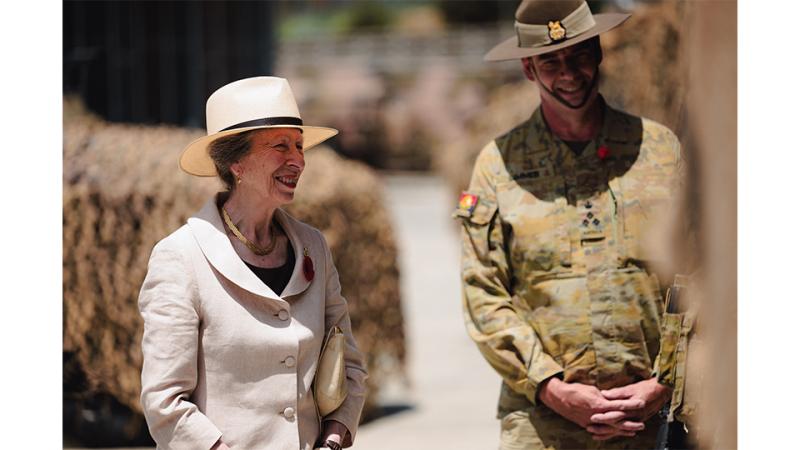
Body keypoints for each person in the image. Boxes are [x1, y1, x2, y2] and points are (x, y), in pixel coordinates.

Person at [456, 1, 682, 448]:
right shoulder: (499, 165)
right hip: (542, 422)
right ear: (528, 68)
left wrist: (666, 382)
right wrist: (552, 388)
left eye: (579, 54)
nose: (570, 74)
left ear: (599, 51)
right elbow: (484, 293)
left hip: (657, 418)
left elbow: (703, 273)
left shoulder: (659, 150)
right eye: (551, 61)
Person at [138, 76, 367, 450]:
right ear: (237, 164)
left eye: (299, 144)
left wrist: (336, 435)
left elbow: (350, 364)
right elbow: (164, 402)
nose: (298, 159)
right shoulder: (180, 257)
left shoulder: (313, 247)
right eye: (280, 146)